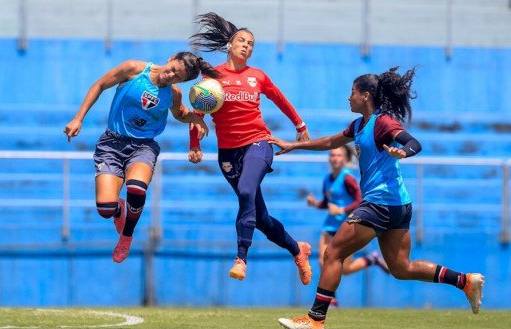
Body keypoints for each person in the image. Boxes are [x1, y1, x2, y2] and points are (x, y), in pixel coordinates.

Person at [270, 67, 484, 328]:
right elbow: (330, 142)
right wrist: (293, 145)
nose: (349, 98)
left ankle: (315, 319)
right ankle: (464, 281)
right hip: (397, 205)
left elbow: (413, 142)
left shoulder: (382, 122)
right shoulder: (359, 125)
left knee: (333, 252)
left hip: (380, 203)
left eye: (352, 92)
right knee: (401, 268)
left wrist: (403, 152)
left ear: (366, 96)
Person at [187, 12, 313, 285]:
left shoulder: (257, 76)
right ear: (230, 46)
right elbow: (198, 112)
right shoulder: (213, 77)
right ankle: (297, 250)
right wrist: (195, 144)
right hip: (228, 153)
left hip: (258, 143)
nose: (246, 45)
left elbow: (280, 99)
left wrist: (300, 126)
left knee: (245, 190)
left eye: (251, 43)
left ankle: (241, 258)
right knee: (261, 218)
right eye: (241, 41)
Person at [64, 52, 221, 263]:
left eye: (177, 77)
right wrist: (78, 118)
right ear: (171, 58)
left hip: (143, 146)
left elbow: (180, 113)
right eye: (173, 69)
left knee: (137, 187)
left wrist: (196, 120)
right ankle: (118, 209)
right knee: (105, 209)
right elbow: (100, 85)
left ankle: (127, 235)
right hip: (112, 144)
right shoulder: (133, 69)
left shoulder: (173, 94)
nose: (171, 76)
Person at [307, 145, 389, 307]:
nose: (334, 158)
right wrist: (316, 203)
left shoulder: (347, 178)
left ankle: (371, 260)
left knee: (344, 269)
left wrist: (341, 209)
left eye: (338, 155)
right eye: (332, 155)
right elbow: (327, 203)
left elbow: (360, 201)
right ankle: (331, 299)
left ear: (345, 159)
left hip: (346, 226)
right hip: (329, 226)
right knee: (323, 262)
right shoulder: (327, 179)